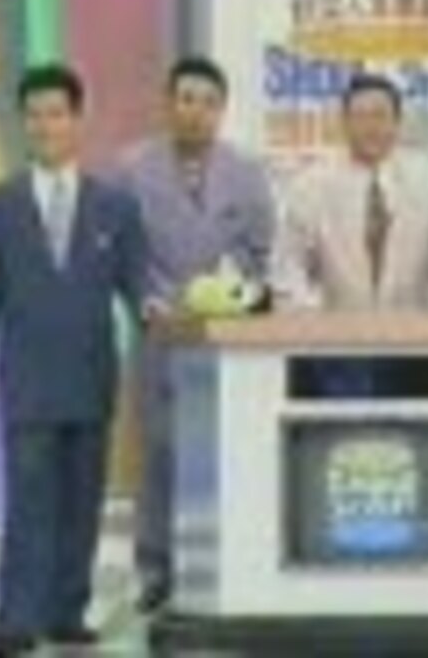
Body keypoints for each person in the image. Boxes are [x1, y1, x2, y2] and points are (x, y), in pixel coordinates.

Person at [0, 65, 146, 654]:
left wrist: (169, 338)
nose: (44, 125)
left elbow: (138, 291)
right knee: (28, 503)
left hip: (91, 376)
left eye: (55, 113)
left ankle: (67, 614)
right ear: (23, 122)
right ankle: (15, 621)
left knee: (82, 502)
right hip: (29, 380)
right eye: (33, 114)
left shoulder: (116, 207)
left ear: (78, 119)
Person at [112, 56, 275, 612]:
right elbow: (123, 253)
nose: (196, 112)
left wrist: (228, 290)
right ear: (168, 104)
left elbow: (259, 251)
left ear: (221, 110)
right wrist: (151, 300)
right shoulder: (131, 169)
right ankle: (156, 570)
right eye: (186, 99)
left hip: (227, 340)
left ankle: (231, 561)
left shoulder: (247, 172)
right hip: (159, 331)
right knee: (159, 453)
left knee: (229, 450)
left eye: (208, 103)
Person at [272, 72, 428, 311]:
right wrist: (310, 313)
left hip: (418, 326)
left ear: (397, 122)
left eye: (380, 116)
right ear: (344, 124)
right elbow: (289, 264)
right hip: (333, 327)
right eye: (360, 117)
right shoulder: (310, 185)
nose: (371, 127)